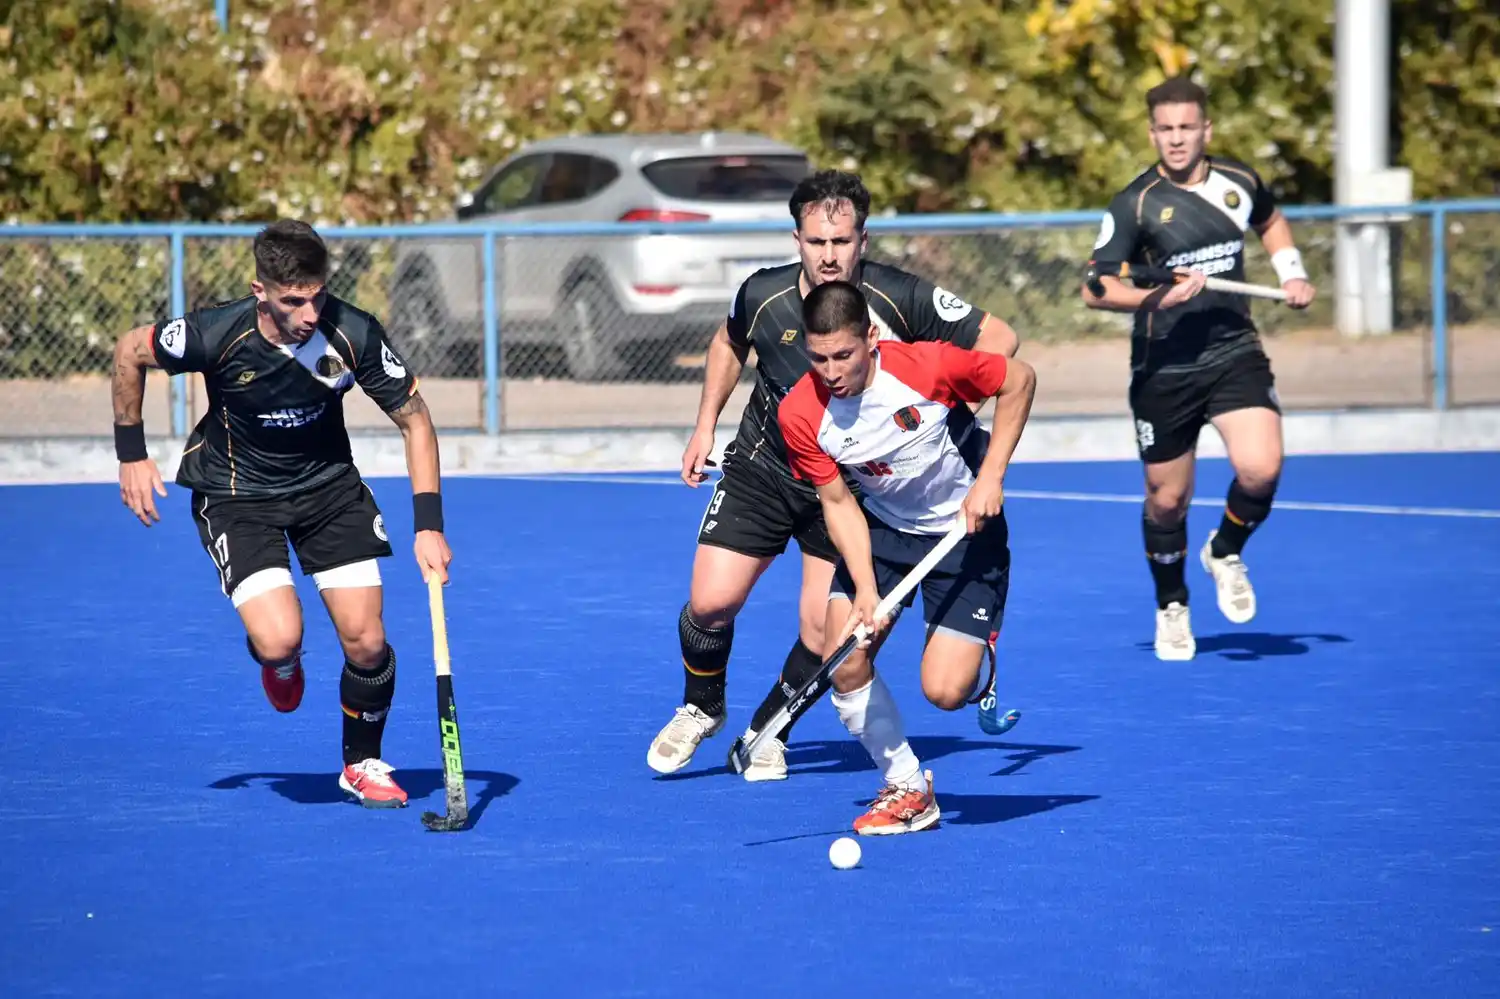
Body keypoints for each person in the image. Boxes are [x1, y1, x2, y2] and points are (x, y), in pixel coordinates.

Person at [648, 169, 1022, 781]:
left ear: (863, 241)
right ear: (796, 239)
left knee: (827, 633)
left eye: (841, 242)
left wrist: (931, 425)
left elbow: (1001, 343)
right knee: (711, 601)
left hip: (852, 486)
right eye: (816, 242)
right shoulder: (763, 296)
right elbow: (727, 343)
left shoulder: (899, 298)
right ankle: (701, 705)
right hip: (767, 467)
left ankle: (770, 729)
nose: (829, 255)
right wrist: (704, 424)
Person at [111, 219, 453, 808]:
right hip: (237, 497)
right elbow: (129, 351)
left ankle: (362, 762)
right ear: (260, 290)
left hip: (329, 492)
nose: (310, 312)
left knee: (368, 643)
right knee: (278, 640)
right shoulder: (215, 333)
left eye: (317, 295)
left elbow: (415, 419)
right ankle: (281, 661)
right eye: (294, 300)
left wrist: (428, 524)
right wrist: (131, 455)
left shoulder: (351, 333)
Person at [776, 280, 1036, 834]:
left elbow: (1020, 380)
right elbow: (839, 502)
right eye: (818, 358)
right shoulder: (801, 413)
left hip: (966, 534)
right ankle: (908, 787)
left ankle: (978, 650)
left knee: (944, 692)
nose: (831, 371)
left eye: (843, 355)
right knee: (843, 653)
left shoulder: (926, 368)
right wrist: (866, 590)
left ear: (871, 338)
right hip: (885, 532)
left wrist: (991, 477)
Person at [1081, 76, 1316, 661]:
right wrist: (1157, 300)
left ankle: (1226, 549)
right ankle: (1171, 604)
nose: (1177, 139)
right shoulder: (1133, 203)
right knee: (1167, 501)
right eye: (1166, 129)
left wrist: (1289, 270)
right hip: (1165, 367)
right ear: (1153, 133)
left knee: (1261, 469)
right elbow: (1096, 287)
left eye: (1187, 127)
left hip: (1233, 348)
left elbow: (1271, 221)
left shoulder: (1239, 181)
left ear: (1205, 129)